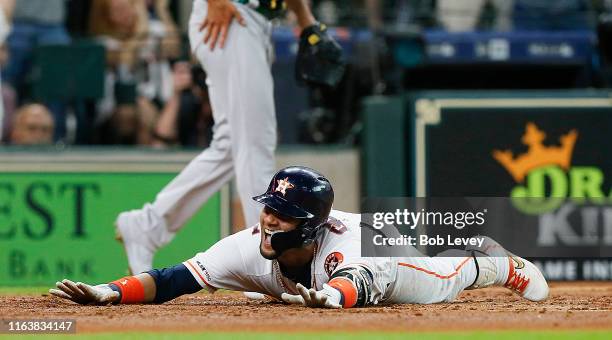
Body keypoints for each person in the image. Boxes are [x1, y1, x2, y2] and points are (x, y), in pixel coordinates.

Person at [50, 166, 549, 309]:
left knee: (443, 278)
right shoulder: (248, 243)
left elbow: (353, 281)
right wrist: (111, 292)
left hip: (381, 253)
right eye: (269, 207)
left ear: (309, 225)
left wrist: (330, 298)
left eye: (282, 215)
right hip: (328, 269)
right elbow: (174, 278)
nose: (268, 220)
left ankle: (496, 260)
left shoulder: (349, 248)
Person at [114, 0, 335, 275]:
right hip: (232, 15)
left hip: (254, 20)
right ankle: (261, 261)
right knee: (255, 143)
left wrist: (305, 20)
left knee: (230, 145)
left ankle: (149, 225)